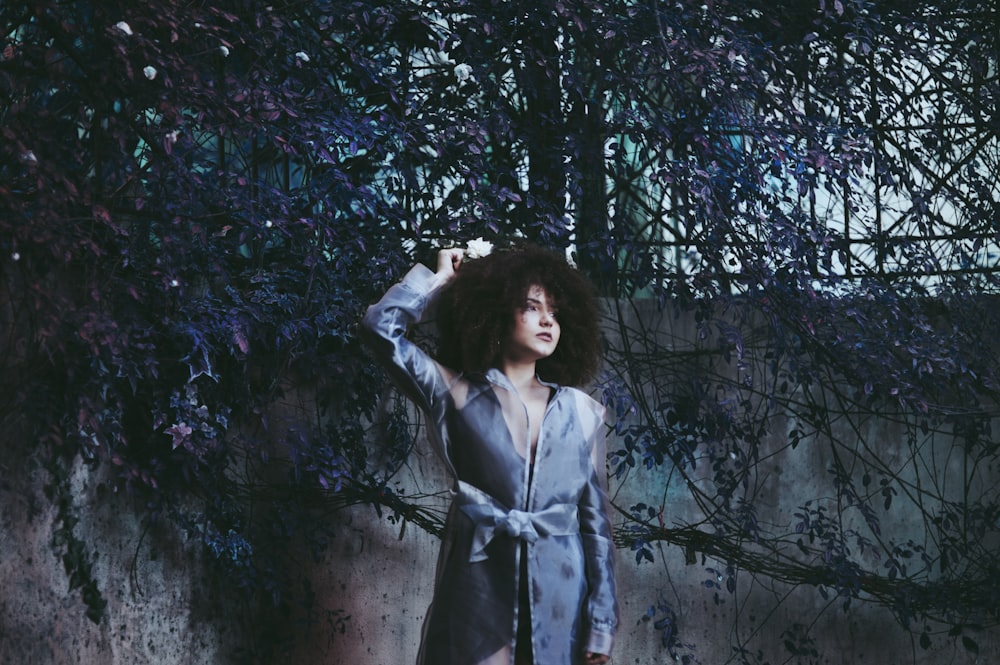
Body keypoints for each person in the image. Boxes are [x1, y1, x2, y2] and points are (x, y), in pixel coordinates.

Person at [361, 242, 618, 665]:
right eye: (532, 307)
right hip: (479, 595)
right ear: (497, 313)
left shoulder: (583, 412)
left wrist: (602, 624)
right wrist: (438, 280)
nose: (547, 320)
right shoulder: (455, 392)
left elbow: (596, 530)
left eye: (554, 312)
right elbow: (378, 328)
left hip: (562, 602)